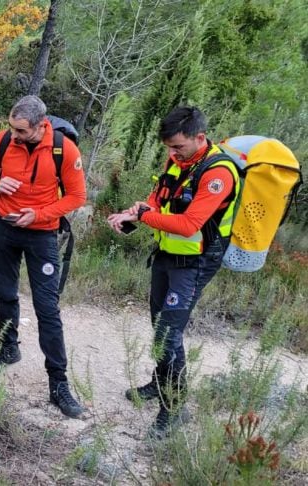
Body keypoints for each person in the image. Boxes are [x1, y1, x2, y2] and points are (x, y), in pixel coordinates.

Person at [106, 107, 240, 438]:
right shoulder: (179, 160)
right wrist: (133, 214)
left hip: (196, 263)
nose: (171, 153)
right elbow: (158, 197)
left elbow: (189, 224)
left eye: (177, 146)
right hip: (167, 254)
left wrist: (145, 216)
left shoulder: (218, 173)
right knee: (159, 327)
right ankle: (159, 382)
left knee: (169, 334)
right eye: (168, 147)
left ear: (199, 137)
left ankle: (175, 408)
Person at [0, 95, 87, 418]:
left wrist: (37, 215)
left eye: (21, 131)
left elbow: (78, 197)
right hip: (4, 228)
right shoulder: (4, 140)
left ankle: (58, 383)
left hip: (41, 235)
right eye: (11, 128)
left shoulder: (64, 149)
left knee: (47, 307)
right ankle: (8, 349)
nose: (14, 135)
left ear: (41, 126)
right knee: (5, 294)